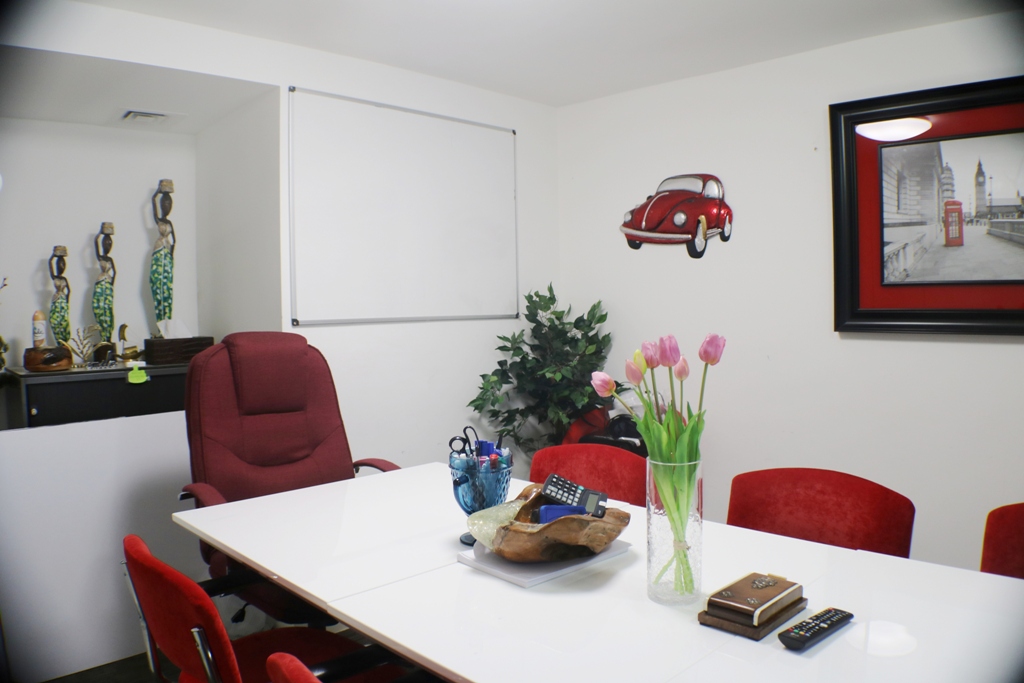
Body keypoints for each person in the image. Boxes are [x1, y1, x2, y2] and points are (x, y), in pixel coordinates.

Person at [150, 179, 175, 327]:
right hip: (159, 251)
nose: (167, 206)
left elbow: (175, 241)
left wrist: (172, 256)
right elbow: (153, 200)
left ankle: (167, 324)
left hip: (167, 254)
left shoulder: (170, 223)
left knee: (167, 288)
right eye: (165, 204)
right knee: (156, 283)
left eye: (169, 204)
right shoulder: (159, 219)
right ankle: (160, 322)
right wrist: (159, 190)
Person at [92, 222, 116, 342]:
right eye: (106, 243)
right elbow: (95, 242)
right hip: (101, 284)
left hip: (107, 285)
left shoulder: (110, 259)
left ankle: (108, 337)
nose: (108, 246)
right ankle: (103, 337)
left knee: (108, 310)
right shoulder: (101, 257)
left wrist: (111, 285)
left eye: (110, 243)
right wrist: (100, 232)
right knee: (99, 307)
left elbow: (115, 272)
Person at [48, 245, 71, 344]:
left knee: (64, 321)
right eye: (59, 266)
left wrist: (67, 302)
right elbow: (50, 263)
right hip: (57, 300)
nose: (61, 268)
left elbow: (69, 290)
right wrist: (53, 255)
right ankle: (58, 341)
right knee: (54, 320)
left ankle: (64, 341)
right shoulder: (55, 277)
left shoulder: (64, 279)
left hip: (63, 300)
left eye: (62, 266)